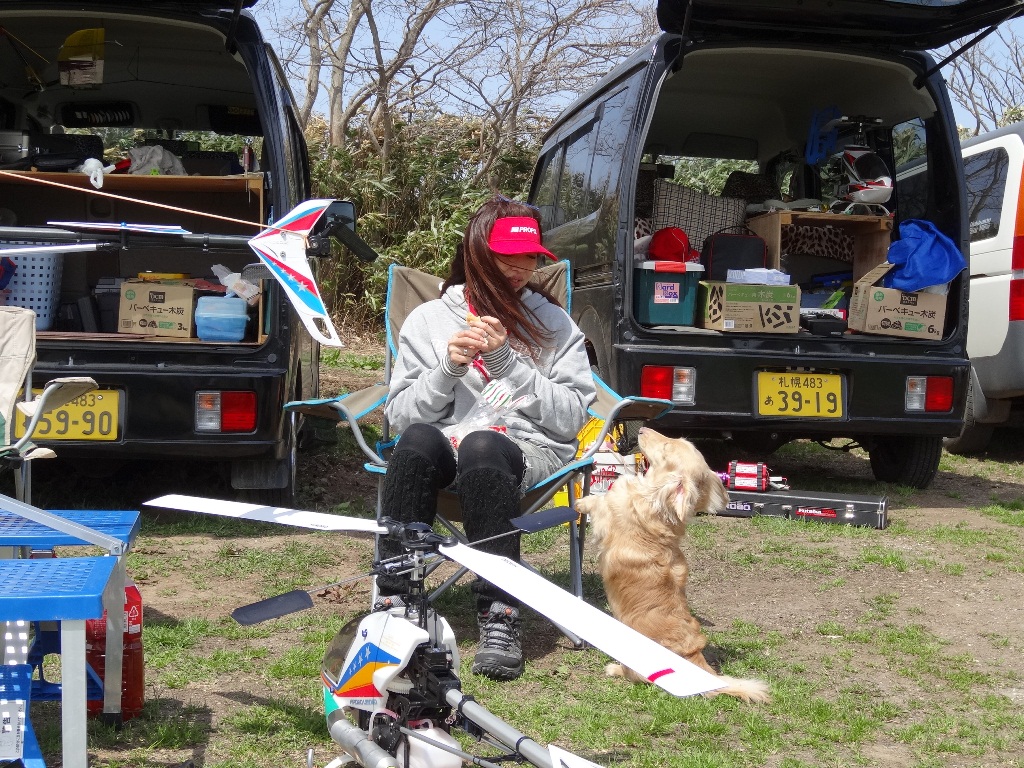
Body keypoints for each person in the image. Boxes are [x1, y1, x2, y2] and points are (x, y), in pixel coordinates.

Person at [377, 195, 596, 681]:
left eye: (531, 257)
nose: (522, 269)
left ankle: (500, 613)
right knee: (416, 440)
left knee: (483, 444)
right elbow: (399, 415)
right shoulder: (429, 320)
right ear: (477, 254)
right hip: (444, 446)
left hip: (526, 451)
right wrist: (447, 369)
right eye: (508, 258)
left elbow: (570, 418)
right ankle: (396, 604)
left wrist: (507, 364)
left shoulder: (553, 323)